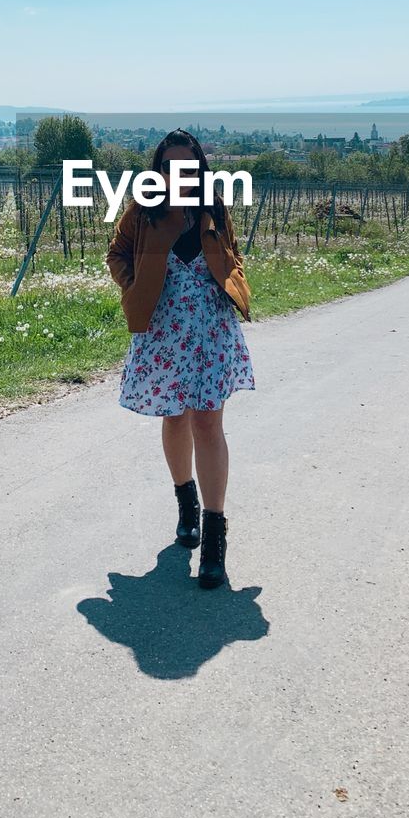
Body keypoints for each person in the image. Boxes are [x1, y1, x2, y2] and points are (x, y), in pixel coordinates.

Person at [105, 129, 254, 590]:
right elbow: (115, 255)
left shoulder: (213, 206)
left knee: (208, 422)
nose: (180, 175)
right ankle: (185, 503)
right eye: (171, 167)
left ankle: (214, 535)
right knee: (174, 418)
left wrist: (235, 279)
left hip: (211, 330)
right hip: (163, 330)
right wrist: (134, 288)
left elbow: (232, 253)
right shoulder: (143, 210)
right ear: (159, 170)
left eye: (188, 166)